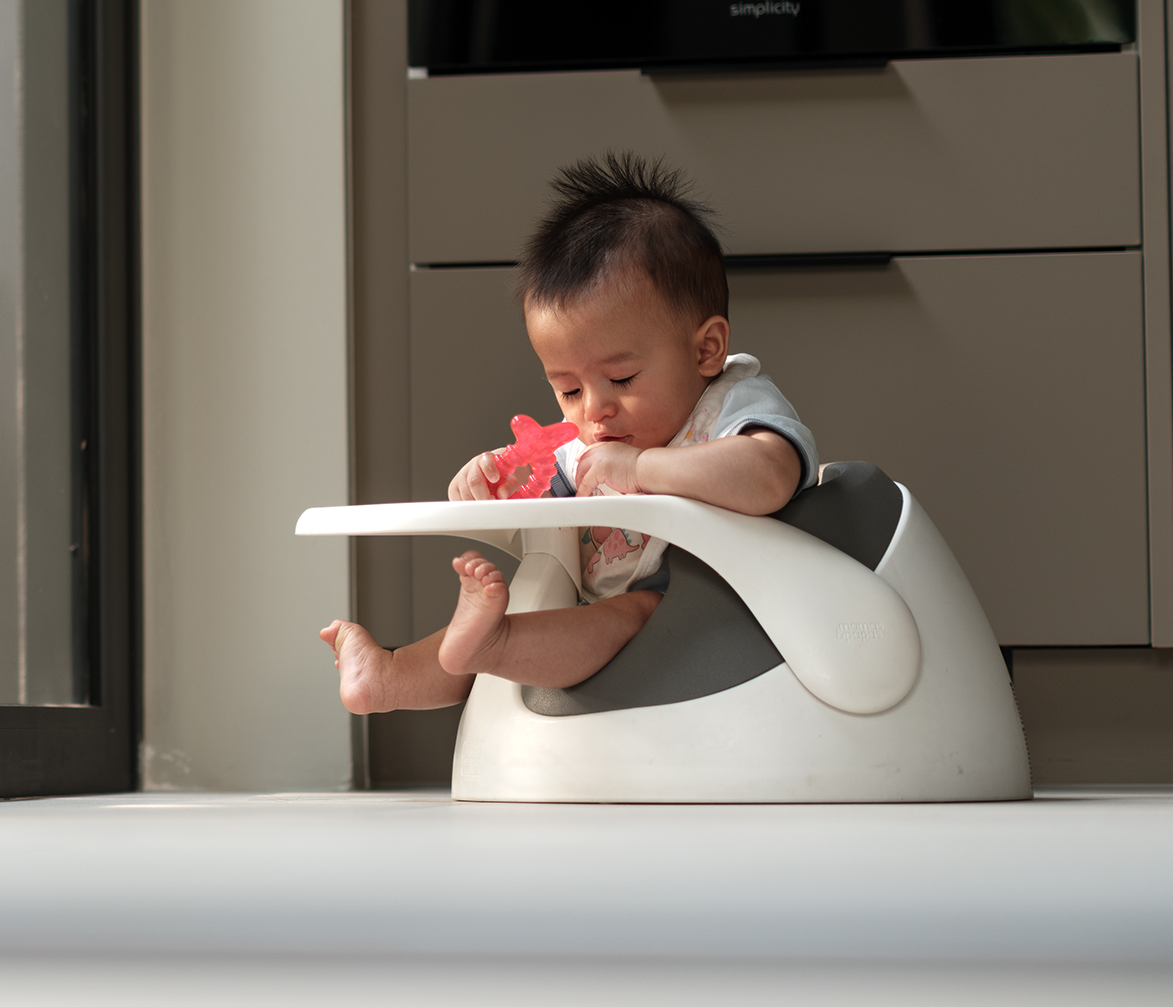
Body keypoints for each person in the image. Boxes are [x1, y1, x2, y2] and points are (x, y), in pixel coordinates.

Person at [322, 152, 817, 715]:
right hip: (596, 616)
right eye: (569, 389)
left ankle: (494, 644)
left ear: (706, 349)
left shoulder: (732, 406)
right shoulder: (585, 446)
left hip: (712, 617)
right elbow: (550, 513)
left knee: (627, 613)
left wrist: (642, 469)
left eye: (622, 378)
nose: (595, 410)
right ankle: (389, 676)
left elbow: (769, 477)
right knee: (533, 611)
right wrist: (500, 489)